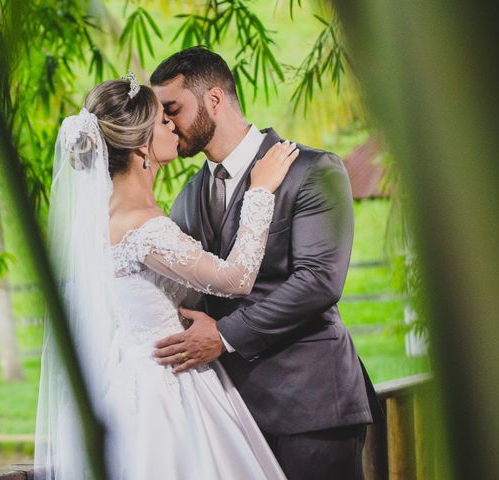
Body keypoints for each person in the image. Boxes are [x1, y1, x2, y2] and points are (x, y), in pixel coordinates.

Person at [34, 73, 299, 479]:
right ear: (143, 145)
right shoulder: (144, 227)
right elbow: (237, 278)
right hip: (166, 389)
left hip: (135, 377)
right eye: (163, 121)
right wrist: (261, 191)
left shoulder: (109, 218)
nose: (173, 125)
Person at [150, 46, 383, 480]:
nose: (164, 123)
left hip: (313, 405)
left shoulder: (314, 171)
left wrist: (223, 335)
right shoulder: (185, 198)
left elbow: (318, 282)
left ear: (214, 100)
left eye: (172, 109)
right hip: (231, 416)